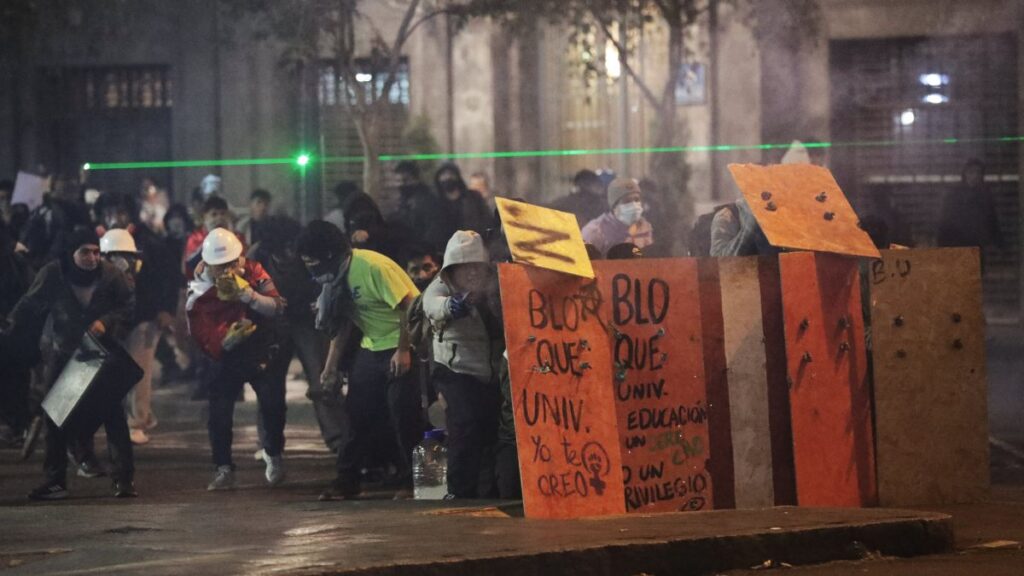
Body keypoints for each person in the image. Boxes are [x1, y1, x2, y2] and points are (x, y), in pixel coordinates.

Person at [7, 227, 137, 499]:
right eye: (85, 252)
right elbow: (29, 304)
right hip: (65, 353)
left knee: (114, 415)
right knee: (55, 416)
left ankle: (123, 479)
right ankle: (55, 481)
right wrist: (9, 326)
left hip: (99, 354)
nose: (92, 257)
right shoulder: (53, 274)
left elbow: (130, 306)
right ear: (71, 253)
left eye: (96, 252)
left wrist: (107, 322)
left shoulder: (111, 275)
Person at [297, 221, 422, 501]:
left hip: (404, 345)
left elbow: (412, 307)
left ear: (330, 256)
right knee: (357, 415)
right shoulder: (336, 281)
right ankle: (347, 480)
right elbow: (345, 324)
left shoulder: (373, 269)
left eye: (314, 263)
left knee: (405, 415)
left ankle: (420, 482)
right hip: (372, 346)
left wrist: (403, 350)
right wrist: (329, 367)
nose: (312, 271)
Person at [186, 228, 288, 490]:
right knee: (219, 412)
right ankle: (223, 468)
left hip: (259, 349)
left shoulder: (254, 272)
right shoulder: (199, 287)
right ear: (208, 264)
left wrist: (248, 295)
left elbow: (277, 306)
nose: (227, 271)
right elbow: (197, 326)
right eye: (220, 266)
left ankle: (273, 453)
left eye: (231, 263)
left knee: (273, 404)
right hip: (224, 357)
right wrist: (222, 341)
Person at [422, 231, 505, 498]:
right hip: (454, 371)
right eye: (463, 267)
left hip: (490, 372)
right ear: (451, 270)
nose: (470, 273)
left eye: (475, 266)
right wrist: (452, 306)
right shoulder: (441, 286)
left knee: (491, 430)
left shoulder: (495, 287)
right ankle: (460, 491)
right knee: (465, 426)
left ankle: (489, 489)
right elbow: (432, 305)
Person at [258, 215, 347, 453]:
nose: (289, 253)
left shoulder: (304, 252)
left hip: (307, 322)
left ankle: (338, 439)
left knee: (321, 381)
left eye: (291, 248)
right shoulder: (259, 256)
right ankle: (270, 444)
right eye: (283, 250)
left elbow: (325, 278)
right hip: (274, 325)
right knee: (270, 385)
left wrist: (319, 301)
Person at [97, 194, 179, 444]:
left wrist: (165, 309)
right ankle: (141, 414)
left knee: (139, 371)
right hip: (112, 319)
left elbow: (168, 276)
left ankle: (137, 421)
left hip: (144, 316)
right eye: (109, 212)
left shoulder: (148, 242)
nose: (114, 218)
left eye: (120, 212)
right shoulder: (97, 242)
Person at [937, 159, 1004, 254]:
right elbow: (945, 220)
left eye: (978, 173)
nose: (975, 176)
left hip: (977, 243)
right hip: (957, 242)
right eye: (971, 172)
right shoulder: (953, 194)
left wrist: (998, 241)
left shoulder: (985, 195)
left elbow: (992, 219)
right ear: (965, 174)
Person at [581, 177, 654, 255]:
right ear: (614, 206)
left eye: (636, 200)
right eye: (627, 201)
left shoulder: (644, 227)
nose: (634, 205)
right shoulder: (595, 232)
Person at [390, 162, 450, 252]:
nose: (401, 184)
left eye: (405, 180)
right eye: (398, 181)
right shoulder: (401, 202)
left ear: (416, 179)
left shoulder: (428, 201)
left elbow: (434, 232)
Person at [183, 195, 240, 279]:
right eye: (214, 214)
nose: (219, 218)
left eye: (223, 214)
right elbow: (189, 266)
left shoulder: (235, 237)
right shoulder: (195, 238)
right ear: (204, 217)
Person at [435, 164, 492, 238]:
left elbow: (487, 221)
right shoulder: (435, 202)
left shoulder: (473, 198)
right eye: (443, 175)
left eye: (451, 174)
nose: (448, 177)